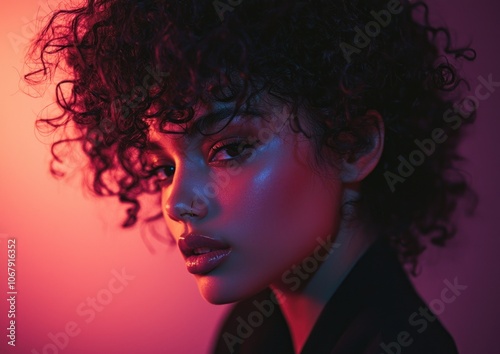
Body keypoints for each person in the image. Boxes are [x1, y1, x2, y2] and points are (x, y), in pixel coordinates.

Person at [25, 0, 476, 353]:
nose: (175, 202)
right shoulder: (251, 326)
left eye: (230, 149)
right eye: (163, 167)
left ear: (353, 145)